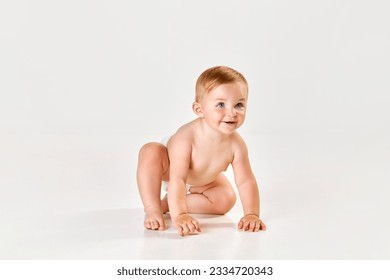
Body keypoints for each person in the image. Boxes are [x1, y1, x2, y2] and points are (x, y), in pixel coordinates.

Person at [136, 66, 266, 236]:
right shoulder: (187, 137)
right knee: (150, 151)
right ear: (199, 110)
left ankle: (167, 204)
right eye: (221, 104)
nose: (232, 112)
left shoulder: (236, 144)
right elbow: (178, 178)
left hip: (202, 176)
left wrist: (251, 214)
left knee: (226, 200)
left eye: (239, 105)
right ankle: (153, 208)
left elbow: (246, 181)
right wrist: (181, 215)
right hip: (170, 168)